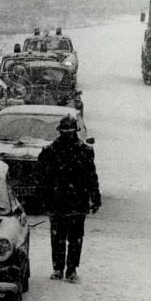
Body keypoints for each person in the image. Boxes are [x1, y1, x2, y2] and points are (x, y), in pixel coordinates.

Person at [37, 115, 101, 283]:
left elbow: (91, 177)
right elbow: (42, 178)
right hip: (58, 201)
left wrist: (95, 197)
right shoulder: (50, 152)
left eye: (70, 132)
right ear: (60, 132)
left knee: (75, 237)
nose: (67, 135)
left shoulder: (84, 151)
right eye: (65, 132)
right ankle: (58, 268)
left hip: (77, 202)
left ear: (75, 132)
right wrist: (43, 197)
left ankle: (71, 269)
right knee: (58, 237)